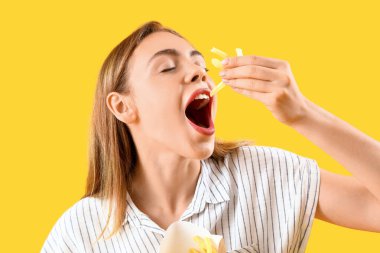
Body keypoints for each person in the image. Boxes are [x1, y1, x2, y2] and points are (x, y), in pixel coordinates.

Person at [40, 21, 380, 253]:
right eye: (167, 67)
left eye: (199, 65)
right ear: (123, 106)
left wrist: (303, 114)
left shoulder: (262, 175)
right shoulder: (80, 233)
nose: (198, 73)